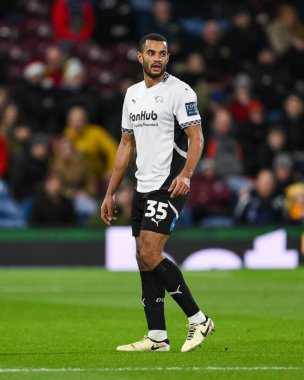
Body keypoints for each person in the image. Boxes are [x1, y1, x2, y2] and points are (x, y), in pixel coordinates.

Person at [100, 33, 214, 353]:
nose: (156, 58)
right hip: (142, 185)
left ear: (167, 58)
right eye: (150, 53)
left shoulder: (180, 91)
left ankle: (198, 319)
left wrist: (187, 175)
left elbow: (197, 139)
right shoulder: (133, 94)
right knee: (142, 258)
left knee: (151, 252)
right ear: (140, 57)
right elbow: (126, 144)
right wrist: (110, 192)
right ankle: (157, 337)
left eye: (162, 54)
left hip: (169, 184)